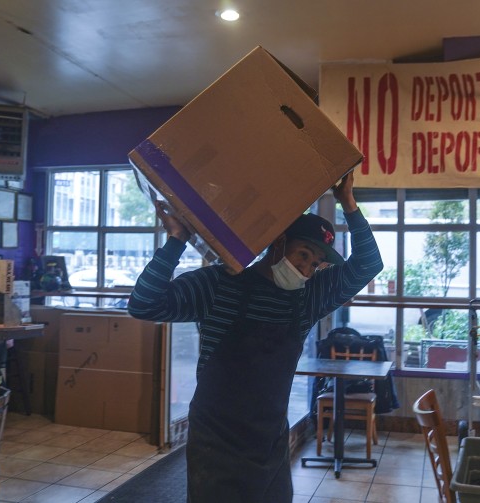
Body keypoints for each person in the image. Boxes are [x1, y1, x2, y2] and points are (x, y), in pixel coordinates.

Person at [127, 172, 382, 503]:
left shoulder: (307, 298)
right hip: (215, 442)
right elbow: (144, 305)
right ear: (278, 243)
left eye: (316, 264)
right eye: (304, 254)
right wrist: (175, 241)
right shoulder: (219, 284)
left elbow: (368, 264)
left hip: (270, 440)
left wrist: (347, 201)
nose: (307, 270)